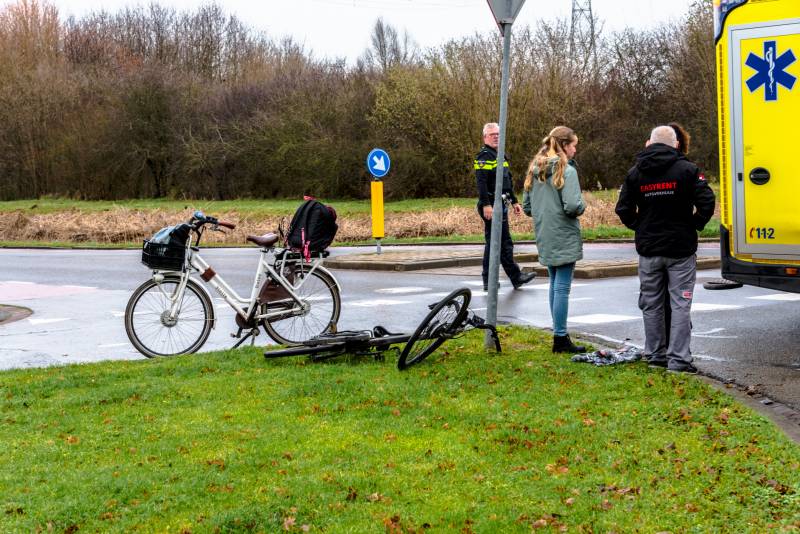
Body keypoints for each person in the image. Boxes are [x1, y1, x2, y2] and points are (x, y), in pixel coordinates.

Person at [615, 125, 715, 373]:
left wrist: (640, 226)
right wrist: (694, 224)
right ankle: (679, 359)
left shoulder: (636, 172)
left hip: (649, 249)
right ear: (677, 144)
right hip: (680, 249)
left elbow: (623, 209)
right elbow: (707, 201)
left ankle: (655, 354)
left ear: (649, 143)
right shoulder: (687, 170)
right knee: (680, 304)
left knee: (651, 303)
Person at [522, 126, 587, 354]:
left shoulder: (534, 169)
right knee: (562, 287)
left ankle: (558, 333)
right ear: (564, 145)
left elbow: (527, 208)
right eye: (573, 145)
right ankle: (560, 337)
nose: (575, 150)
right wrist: (583, 205)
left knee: (553, 282)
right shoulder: (566, 171)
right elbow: (572, 206)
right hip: (563, 231)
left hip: (544, 232)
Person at [475, 122, 536, 292]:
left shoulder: (500, 155)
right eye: (492, 134)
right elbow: (481, 184)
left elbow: (506, 182)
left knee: (499, 243)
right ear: (485, 137)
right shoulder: (484, 156)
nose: (496, 137)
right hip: (491, 205)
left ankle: (506, 278)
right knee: (498, 243)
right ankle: (508, 278)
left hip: (501, 203)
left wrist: (515, 201)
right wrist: (487, 204)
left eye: (498, 134)